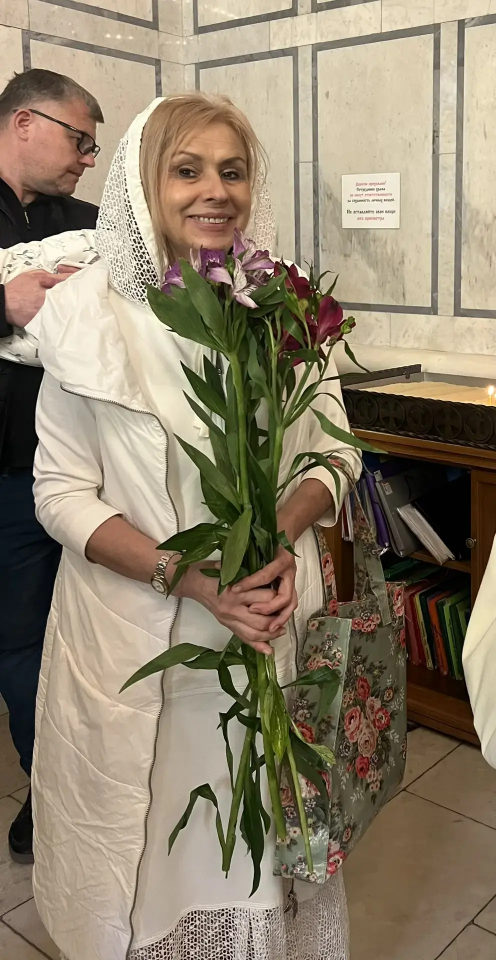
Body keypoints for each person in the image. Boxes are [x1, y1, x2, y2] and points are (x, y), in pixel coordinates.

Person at [23, 94, 362, 960]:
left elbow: (334, 453)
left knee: (261, 849)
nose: (216, 190)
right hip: (141, 643)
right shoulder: (87, 313)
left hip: (268, 628)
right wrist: (196, 579)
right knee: (154, 854)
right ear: (145, 184)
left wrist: (275, 539)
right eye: (188, 170)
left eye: (233, 171)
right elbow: (60, 494)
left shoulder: (281, 305)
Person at [0, 68, 104, 864]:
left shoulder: (93, 224)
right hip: (10, 474)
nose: (87, 159)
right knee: (24, 639)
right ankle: (54, 791)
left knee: (91, 635)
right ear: (24, 122)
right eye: (80, 140)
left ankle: (90, 787)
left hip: (94, 470)